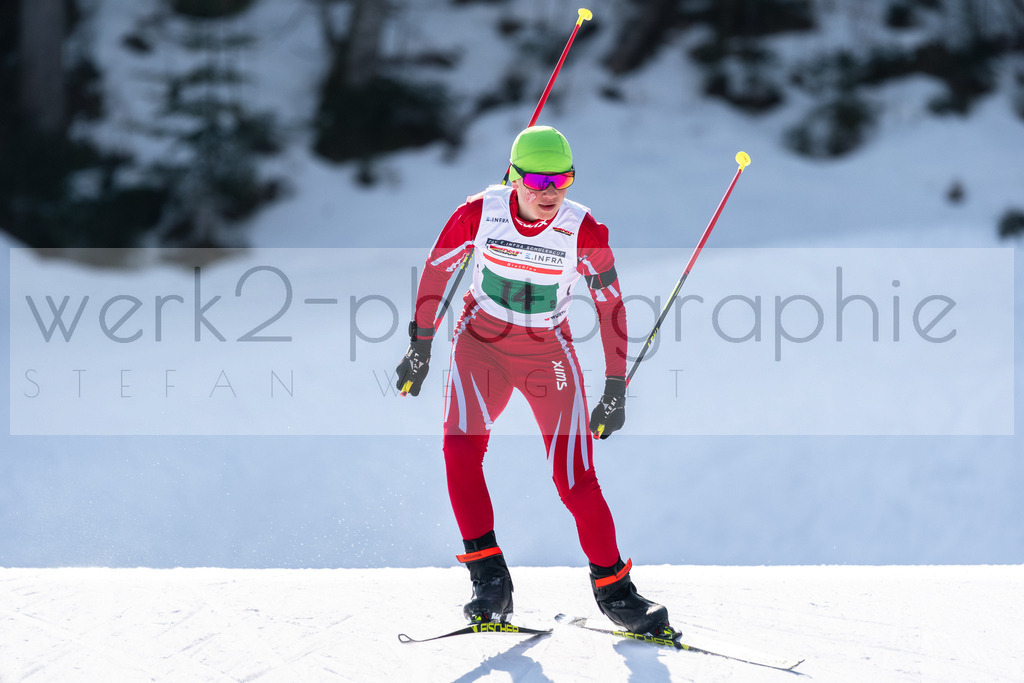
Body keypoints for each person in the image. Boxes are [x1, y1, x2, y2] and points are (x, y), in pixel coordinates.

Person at [395, 125, 670, 636]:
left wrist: (615, 388)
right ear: (515, 177)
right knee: (459, 451)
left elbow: (611, 307)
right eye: (538, 179)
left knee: (574, 477)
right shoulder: (478, 213)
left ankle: (616, 591)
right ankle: (489, 579)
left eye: (561, 179)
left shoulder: (582, 229)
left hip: (546, 352)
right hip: (480, 344)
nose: (550, 192)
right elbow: (436, 273)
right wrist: (421, 345)